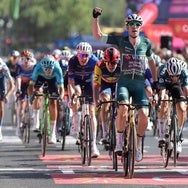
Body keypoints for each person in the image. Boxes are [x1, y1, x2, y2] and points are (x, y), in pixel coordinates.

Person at [92, 8, 158, 162]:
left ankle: (139, 142)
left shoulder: (146, 43)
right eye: (131, 24)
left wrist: (155, 83)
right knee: (122, 108)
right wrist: (95, 18)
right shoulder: (121, 41)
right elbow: (98, 36)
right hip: (124, 82)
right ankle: (120, 141)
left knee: (144, 115)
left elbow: (152, 62)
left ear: (140, 27)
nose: (134, 26)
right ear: (127, 27)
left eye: (137, 24)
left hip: (140, 84)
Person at [68, 41, 100, 158]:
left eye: (86, 55)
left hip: (89, 80)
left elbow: (98, 81)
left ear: (90, 55)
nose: (83, 58)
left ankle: (93, 145)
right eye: (81, 55)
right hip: (77, 80)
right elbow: (71, 81)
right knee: (77, 95)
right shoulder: (72, 61)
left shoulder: (95, 61)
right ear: (77, 55)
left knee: (92, 112)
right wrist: (74, 94)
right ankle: (76, 120)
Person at [28, 55, 64, 144]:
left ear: (53, 67)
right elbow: (31, 86)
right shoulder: (38, 68)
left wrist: (60, 97)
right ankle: (36, 119)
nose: (48, 72)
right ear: (42, 67)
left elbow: (61, 88)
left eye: (50, 70)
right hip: (40, 78)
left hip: (53, 80)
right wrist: (31, 96)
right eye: (46, 70)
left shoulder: (57, 69)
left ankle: (52, 133)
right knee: (37, 93)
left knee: (53, 102)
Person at [157, 57, 188, 154]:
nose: (174, 78)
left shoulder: (184, 72)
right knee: (164, 101)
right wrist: (161, 100)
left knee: (182, 108)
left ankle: (178, 136)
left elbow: (186, 89)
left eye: (177, 76)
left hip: (178, 86)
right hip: (166, 86)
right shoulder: (163, 71)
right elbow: (162, 90)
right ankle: (162, 134)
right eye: (172, 76)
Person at [93, 47, 121, 144]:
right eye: (108, 62)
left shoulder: (123, 65)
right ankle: (105, 133)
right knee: (105, 101)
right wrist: (96, 102)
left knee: (122, 103)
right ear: (105, 61)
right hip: (105, 84)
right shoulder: (99, 65)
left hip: (119, 83)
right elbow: (96, 86)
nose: (111, 65)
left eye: (113, 63)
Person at [15, 49, 36, 135]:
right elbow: (18, 78)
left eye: (27, 58)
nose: (25, 61)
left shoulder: (34, 66)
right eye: (23, 59)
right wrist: (18, 89)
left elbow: (36, 79)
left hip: (31, 84)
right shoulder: (19, 66)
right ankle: (19, 124)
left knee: (34, 97)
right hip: (22, 84)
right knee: (21, 104)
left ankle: (33, 113)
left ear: (31, 59)